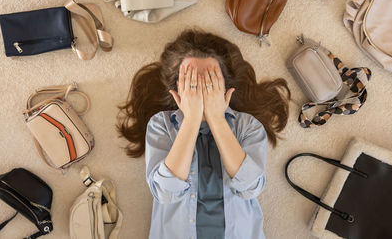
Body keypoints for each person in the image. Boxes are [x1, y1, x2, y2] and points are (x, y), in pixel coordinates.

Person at [118, 30, 290, 239]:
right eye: (191, 83)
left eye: (209, 82)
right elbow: (166, 191)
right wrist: (191, 119)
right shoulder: (161, 125)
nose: (200, 90)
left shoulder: (248, 127)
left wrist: (217, 118)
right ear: (176, 90)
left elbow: (250, 186)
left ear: (226, 88)